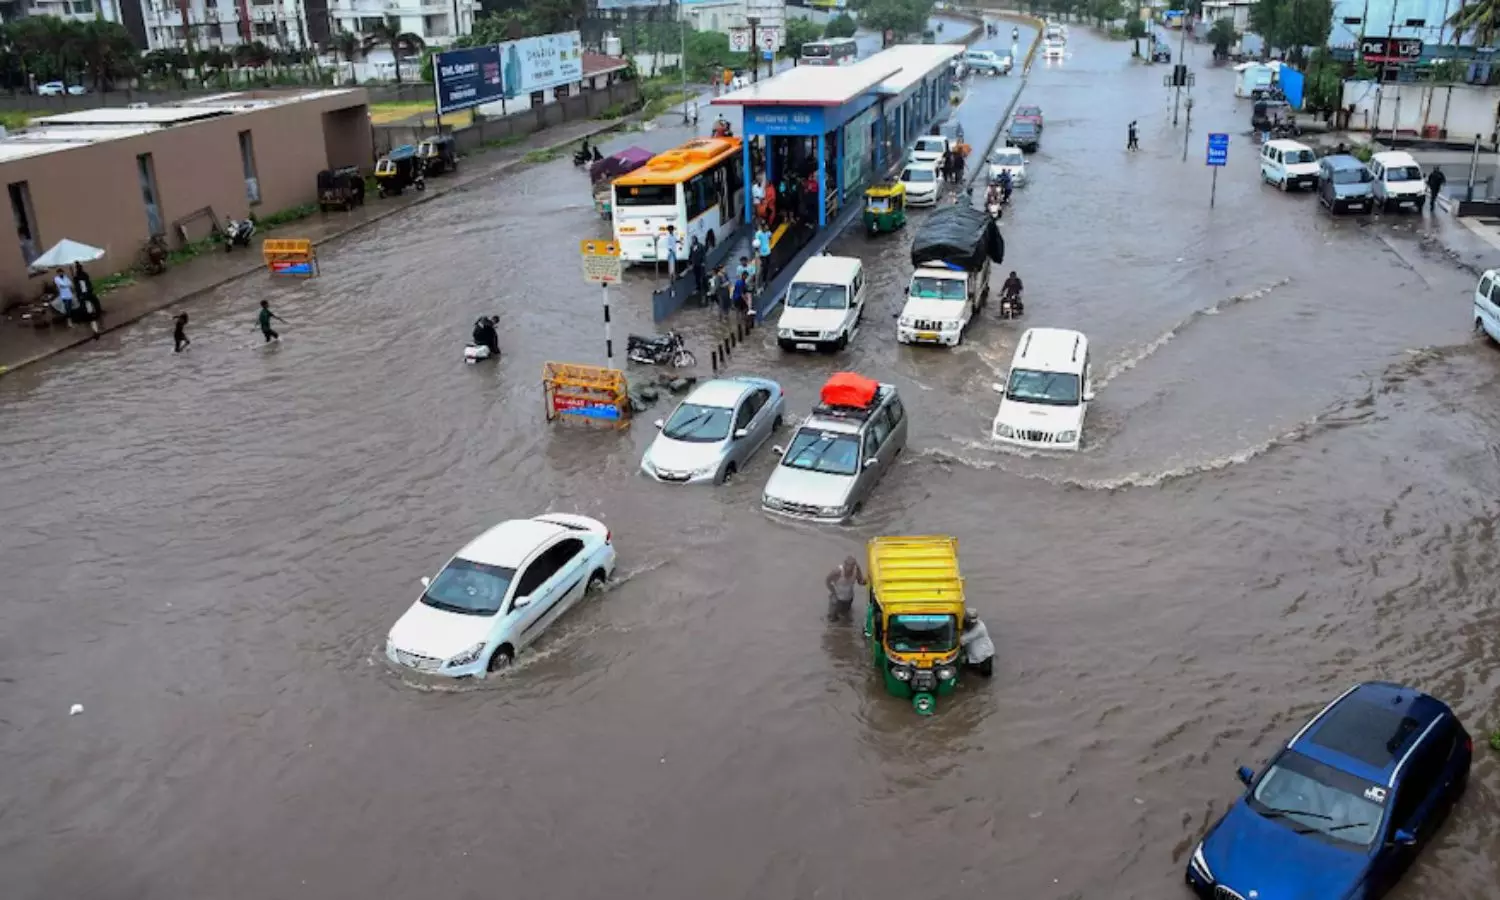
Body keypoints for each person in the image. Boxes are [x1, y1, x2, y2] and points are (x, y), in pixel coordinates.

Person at [825, 556, 867, 623]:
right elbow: (827, 581)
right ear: (844, 564)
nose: (850, 568)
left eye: (852, 566)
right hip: (836, 598)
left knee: (846, 616)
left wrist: (864, 582)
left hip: (848, 598)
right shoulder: (837, 571)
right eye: (848, 565)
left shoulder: (856, 569)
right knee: (832, 618)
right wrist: (833, 591)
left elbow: (860, 581)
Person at [960, 608, 995, 677]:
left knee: (986, 676)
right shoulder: (966, 624)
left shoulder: (980, 628)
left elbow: (962, 640)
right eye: (970, 622)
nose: (972, 624)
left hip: (985, 655)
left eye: (974, 622)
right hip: (973, 654)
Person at [73, 262, 101, 339]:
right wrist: (80, 296)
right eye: (78, 268)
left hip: (87, 293)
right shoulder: (76, 278)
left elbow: (88, 284)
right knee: (88, 310)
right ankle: (94, 329)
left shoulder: (84, 275)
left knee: (92, 308)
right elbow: (77, 288)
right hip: (83, 295)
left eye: (79, 267)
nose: (79, 269)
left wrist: (89, 291)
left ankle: (95, 329)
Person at [754, 220, 772, 288]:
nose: (767, 227)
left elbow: (770, 238)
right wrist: (757, 252)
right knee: (764, 266)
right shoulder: (758, 234)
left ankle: (766, 279)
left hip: (768, 252)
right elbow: (756, 243)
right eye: (766, 227)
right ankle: (763, 280)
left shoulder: (768, 233)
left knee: (768, 266)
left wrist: (769, 237)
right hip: (762, 254)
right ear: (762, 227)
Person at [689, 236, 707, 302]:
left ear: (696, 239)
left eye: (693, 239)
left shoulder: (701, 246)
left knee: (703, 276)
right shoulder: (691, 247)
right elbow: (690, 255)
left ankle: (705, 288)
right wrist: (690, 262)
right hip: (695, 264)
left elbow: (704, 254)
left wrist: (703, 262)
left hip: (700, 264)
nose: (692, 240)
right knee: (696, 276)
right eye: (692, 239)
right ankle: (698, 288)